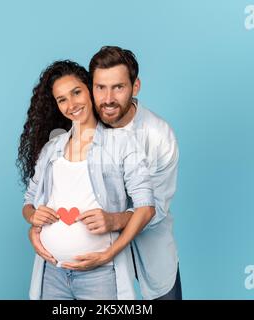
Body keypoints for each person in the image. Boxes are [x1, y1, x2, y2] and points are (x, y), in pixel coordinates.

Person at [17, 60, 156, 300]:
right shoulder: (52, 149)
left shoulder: (122, 144)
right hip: (53, 272)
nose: (71, 104)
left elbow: (146, 208)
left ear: (90, 90)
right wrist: (33, 218)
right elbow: (29, 202)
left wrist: (109, 253)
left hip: (99, 276)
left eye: (76, 92)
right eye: (62, 99)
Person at [84, 46, 182, 300]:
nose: (107, 98)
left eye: (118, 87)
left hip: (151, 247)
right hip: (94, 248)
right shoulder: (81, 128)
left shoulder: (159, 135)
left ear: (135, 86)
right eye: (100, 87)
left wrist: (114, 220)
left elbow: (156, 208)